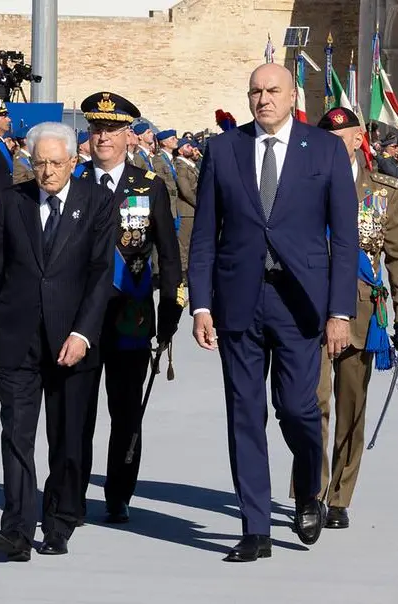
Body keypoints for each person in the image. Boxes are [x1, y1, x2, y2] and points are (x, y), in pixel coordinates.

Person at [188, 63, 359, 562]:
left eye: (272, 91)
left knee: (299, 408)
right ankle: (255, 528)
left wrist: (340, 312)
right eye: (255, 92)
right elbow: (205, 236)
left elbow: (345, 240)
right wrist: (201, 304)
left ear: (291, 96)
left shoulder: (323, 149)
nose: (263, 99)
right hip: (238, 301)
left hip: (300, 302)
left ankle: (308, 489)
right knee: (244, 412)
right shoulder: (224, 149)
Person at [0, 121, 117, 561]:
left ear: (73, 162)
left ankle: (59, 522)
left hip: (71, 340)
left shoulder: (96, 201)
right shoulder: (12, 201)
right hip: (17, 340)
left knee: (66, 437)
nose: (47, 172)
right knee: (17, 435)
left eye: (56, 163)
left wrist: (83, 333)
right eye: (39, 163)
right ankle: (17, 530)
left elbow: (100, 274)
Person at [76, 92, 182, 523]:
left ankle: (119, 491)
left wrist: (171, 309)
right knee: (77, 410)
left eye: (111, 130)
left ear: (128, 136)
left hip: (130, 316)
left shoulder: (148, 186)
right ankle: (71, 491)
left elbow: (169, 254)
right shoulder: (73, 180)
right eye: (96, 129)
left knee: (125, 411)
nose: (102, 137)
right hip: (79, 317)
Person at [303, 107, 398, 530]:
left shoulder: (384, 191)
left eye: (342, 140)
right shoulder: (305, 186)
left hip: (361, 312)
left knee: (351, 406)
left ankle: (340, 496)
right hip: (311, 312)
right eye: (327, 139)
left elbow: (395, 256)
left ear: (359, 139)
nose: (333, 147)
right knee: (312, 404)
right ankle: (311, 493)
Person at [174, 137, 199, 280]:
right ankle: (182, 273)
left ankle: (188, 269)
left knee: (190, 243)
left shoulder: (190, 165)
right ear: (180, 150)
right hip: (186, 210)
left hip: (192, 210)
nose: (192, 148)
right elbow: (186, 191)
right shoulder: (180, 165)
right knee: (183, 243)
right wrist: (198, 204)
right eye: (187, 146)